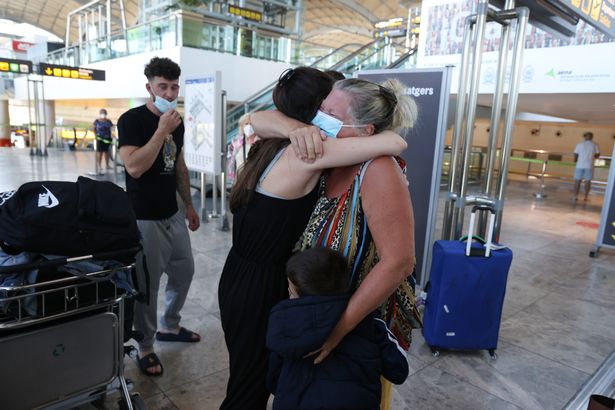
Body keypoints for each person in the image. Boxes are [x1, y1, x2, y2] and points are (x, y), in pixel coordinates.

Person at [218, 67, 406, 410]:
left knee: (253, 381)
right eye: (320, 110)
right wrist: (299, 128)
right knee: (250, 387)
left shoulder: (283, 147)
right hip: (261, 286)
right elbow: (395, 140)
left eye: (331, 113)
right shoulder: (309, 151)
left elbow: (399, 260)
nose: (323, 119)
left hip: (244, 277)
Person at [118, 57, 201, 377]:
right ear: (149, 87)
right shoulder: (132, 120)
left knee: (184, 272)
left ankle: (170, 325)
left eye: (174, 86)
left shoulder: (176, 122)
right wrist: (161, 130)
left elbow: (178, 164)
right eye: (163, 86)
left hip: (172, 213)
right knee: (148, 286)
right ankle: (147, 344)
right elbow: (135, 167)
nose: (169, 91)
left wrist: (189, 204)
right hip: (144, 218)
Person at [266, 247, 409, 410]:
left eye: (291, 294)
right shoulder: (370, 322)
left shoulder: (283, 326)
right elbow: (399, 369)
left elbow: (274, 381)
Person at [573, 131, 600, 201]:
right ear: (592, 137)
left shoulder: (579, 144)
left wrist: (575, 160)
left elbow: (575, 154)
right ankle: (586, 197)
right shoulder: (595, 145)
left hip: (579, 165)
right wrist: (593, 156)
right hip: (589, 165)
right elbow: (597, 155)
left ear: (584, 137)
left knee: (577, 180)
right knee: (588, 181)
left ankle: (575, 196)